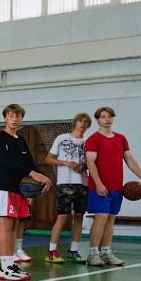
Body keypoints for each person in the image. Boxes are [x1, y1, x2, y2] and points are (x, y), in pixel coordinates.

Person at [0, 104, 51, 281]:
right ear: (5, 118)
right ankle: (4, 268)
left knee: (14, 228)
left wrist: (42, 177)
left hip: (20, 188)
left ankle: (10, 264)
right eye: (11, 115)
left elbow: (30, 163)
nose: (15, 119)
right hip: (5, 187)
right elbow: (5, 161)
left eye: (18, 116)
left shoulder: (21, 140)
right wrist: (31, 173)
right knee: (5, 225)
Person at [85, 106, 141, 267]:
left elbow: (130, 159)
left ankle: (106, 252)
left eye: (109, 116)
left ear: (113, 118)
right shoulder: (94, 139)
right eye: (103, 116)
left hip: (117, 187)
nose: (106, 119)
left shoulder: (121, 138)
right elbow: (90, 162)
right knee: (101, 218)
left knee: (111, 219)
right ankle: (93, 254)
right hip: (99, 187)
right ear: (98, 120)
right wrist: (98, 183)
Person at [45, 113, 91, 263]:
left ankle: (74, 250)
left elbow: (92, 162)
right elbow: (48, 159)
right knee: (62, 216)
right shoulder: (62, 138)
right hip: (65, 183)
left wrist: (83, 166)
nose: (82, 124)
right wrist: (67, 163)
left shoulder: (88, 142)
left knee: (79, 216)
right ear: (75, 123)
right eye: (80, 121)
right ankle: (51, 251)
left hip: (83, 183)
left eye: (85, 122)